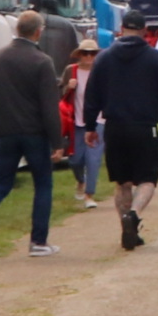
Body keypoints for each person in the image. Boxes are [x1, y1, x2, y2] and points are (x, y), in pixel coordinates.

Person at [81, 11, 158, 250]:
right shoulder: (155, 59)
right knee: (147, 179)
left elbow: (92, 96)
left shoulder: (104, 59)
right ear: (144, 30)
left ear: (122, 29)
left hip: (114, 127)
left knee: (122, 182)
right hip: (144, 127)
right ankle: (134, 215)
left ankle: (126, 227)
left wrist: (89, 127)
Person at [0, 9, 64, 258]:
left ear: (17, 30)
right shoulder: (42, 62)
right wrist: (57, 141)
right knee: (42, 184)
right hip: (35, 133)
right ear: (38, 32)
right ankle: (38, 241)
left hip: (6, 132)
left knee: (1, 183)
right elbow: (48, 106)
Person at [64, 37, 102, 210]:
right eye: (85, 53)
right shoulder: (71, 71)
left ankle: (89, 194)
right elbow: (59, 95)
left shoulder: (102, 70)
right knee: (75, 159)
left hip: (99, 121)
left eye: (92, 53)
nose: (88, 57)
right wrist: (68, 87)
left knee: (93, 159)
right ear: (79, 55)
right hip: (77, 122)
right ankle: (81, 180)